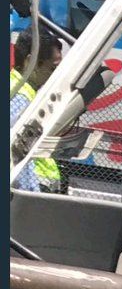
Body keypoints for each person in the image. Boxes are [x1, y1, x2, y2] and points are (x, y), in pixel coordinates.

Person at [10, 27, 64, 192]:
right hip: (30, 195)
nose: (55, 76)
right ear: (30, 61)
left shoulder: (20, 90)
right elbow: (15, 150)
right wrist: (31, 191)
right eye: (52, 69)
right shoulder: (20, 98)